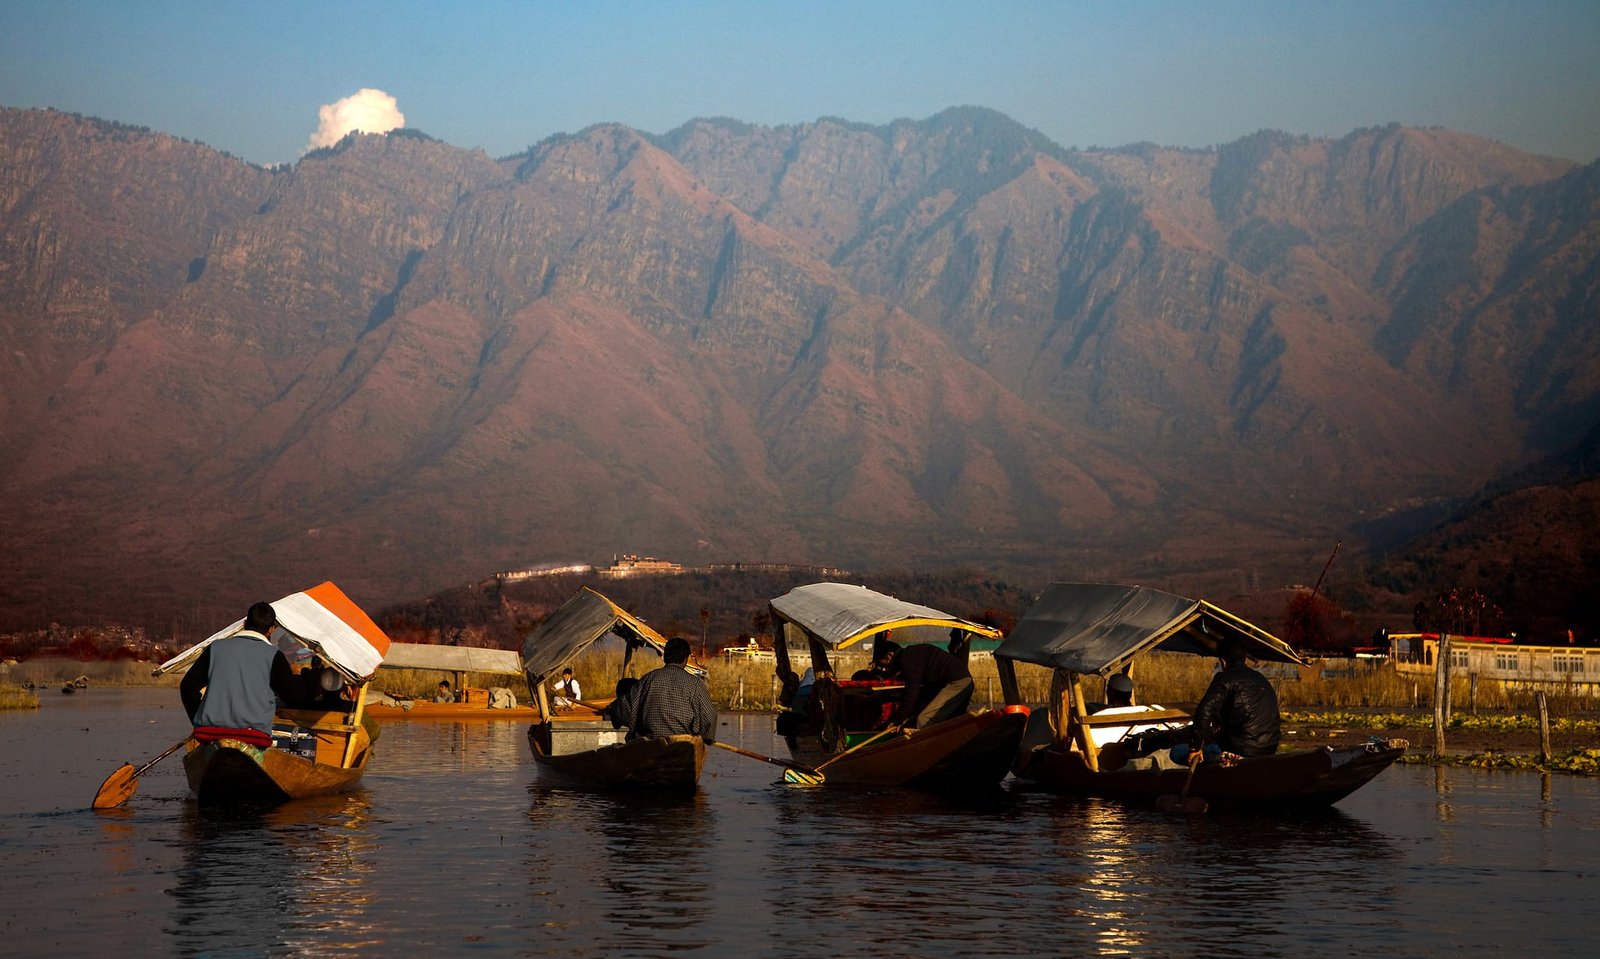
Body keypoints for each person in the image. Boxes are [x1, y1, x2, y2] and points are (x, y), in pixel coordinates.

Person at [180, 601, 302, 738]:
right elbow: (291, 695)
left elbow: (187, 687)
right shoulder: (274, 655)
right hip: (254, 735)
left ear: (245, 624)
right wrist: (296, 677)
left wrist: (199, 721)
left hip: (210, 731)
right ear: (271, 629)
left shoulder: (215, 648)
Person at [1170, 637, 1282, 763]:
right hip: (1269, 750)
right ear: (1245, 659)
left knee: (1176, 752)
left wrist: (1195, 748)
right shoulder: (1262, 679)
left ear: (1223, 662)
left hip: (1239, 751)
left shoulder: (1224, 678)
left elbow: (1204, 711)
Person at [621, 637, 717, 744]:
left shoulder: (647, 679)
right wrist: (706, 739)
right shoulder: (695, 684)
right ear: (685, 659)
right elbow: (709, 716)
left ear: (665, 657)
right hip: (682, 744)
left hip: (651, 744)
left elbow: (627, 709)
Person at [872, 636, 974, 729]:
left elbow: (911, 695)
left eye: (884, 664)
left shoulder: (906, 659)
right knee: (952, 720)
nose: (886, 668)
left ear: (890, 655)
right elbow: (923, 691)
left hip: (957, 683)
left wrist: (897, 720)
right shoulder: (912, 654)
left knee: (924, 719)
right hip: (963, 681)